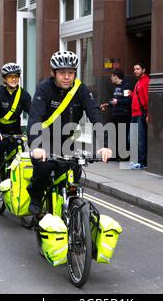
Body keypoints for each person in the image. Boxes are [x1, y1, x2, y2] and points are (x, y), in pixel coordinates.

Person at [27, 50, 112, 216]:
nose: (67, 77)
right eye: (62, 73)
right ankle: (36, 196)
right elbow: (34, 118)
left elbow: (95, 115)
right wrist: (36, 145)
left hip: (70, 139)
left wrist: (105, 145)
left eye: (71, 73)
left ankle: (71, 208)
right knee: (45, 165)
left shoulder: (81, 90)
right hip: (45, 138)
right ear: (53, 73)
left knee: (75, 168)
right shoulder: (44, 89)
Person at [0, 62, 31, 181]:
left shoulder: (24, 95)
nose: (14, 79)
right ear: (4, 79)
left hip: (14, 129)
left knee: (18, 150)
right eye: (10, 77)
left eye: (16, 76)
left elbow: (33, 113)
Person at [100, 69, 132, 160]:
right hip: (115, 114)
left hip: (123, 115)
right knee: (114, 135)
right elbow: (115, 100)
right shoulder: (116, 87)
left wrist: (117, 101)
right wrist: (108, 104)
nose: (111, 78)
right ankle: (115, 155)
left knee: (122, 136)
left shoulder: (126, 86)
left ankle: (124, 156)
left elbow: (128, 100)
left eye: (112, 76)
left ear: (116, 76)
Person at [130, 61, 150, 169]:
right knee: (132, 138)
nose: (135, 71)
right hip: (134, 113)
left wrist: (148, 114)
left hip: (141, 114)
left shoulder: (145, 81)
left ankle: (142, 162)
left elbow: (147, 99)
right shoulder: (138, 82)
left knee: (140, 139)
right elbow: (139, 97)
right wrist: (131, 94)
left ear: (143, 70)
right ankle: (137, 160)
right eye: (134, 69)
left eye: (137, 69)